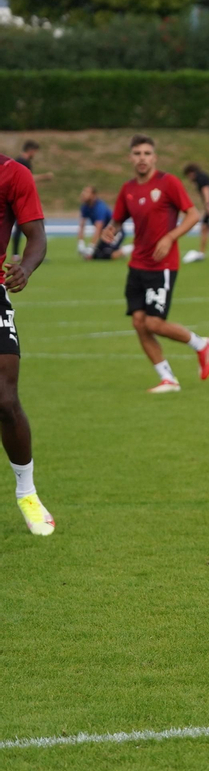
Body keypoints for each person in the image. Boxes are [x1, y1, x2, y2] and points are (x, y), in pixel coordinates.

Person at [111, 135, 209, 394]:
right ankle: (167, 378)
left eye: (147, 153)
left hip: (162, 266)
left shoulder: (168, 183)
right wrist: (109, 231)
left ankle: (201, 345)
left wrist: (170, 237)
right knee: (138, 322)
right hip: (137, 265)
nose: (142, 158)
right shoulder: (128, 189)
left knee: (154, 323)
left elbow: (193, 214)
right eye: (137, 153)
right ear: (130, 158)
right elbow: (117, 220)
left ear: (154, 157)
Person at [0, 152, 54, 535]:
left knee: (4, 398)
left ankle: (27, 491)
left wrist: (26, 267)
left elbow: (36, 237)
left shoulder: (12, 174)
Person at [9, 141, 51, 259]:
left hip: (18, 197)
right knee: (34, 225)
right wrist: (45, 177)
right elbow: (27, 179)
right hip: (20, 198)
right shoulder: (22, 162)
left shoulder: (19, 161)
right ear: (31, 150)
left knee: (23, 225)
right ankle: (34, 255)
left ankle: (16, 254)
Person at [76, 186, 119, 259]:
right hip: (104, 234)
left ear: (93, 195)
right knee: (94, 256)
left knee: (106, 254)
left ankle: (128, 249)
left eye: (86, 192)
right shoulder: (85, 206)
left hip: (115, 232)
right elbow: (82, 225)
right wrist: (81, 242)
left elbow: (98, 229)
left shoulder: (100, 207)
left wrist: (91, 247)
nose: (83, 194)